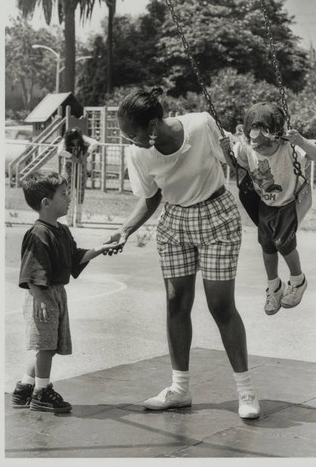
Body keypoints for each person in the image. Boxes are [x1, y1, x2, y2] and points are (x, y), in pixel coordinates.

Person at [104, 87, 260, 419]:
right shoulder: (140, 154)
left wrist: (238, 150)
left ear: (154, 124)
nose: (131, 141)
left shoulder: (202, 125)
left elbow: (235, 163)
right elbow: (150, 198)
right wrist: (125, 229)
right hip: (175, 220)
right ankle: (179, 389)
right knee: (176, 302)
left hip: (217, 213)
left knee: (220, 305)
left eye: (134, 134)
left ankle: (246, 391)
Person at [11, 171, 120, 413]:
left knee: (44, 345)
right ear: (46, 203)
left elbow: (75, 257)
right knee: (46, 347)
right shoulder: (38, 233)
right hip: (42, 295)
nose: (69, 198)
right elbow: (30, 269)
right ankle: (42, 392)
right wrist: (39, 297)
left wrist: (100, 248)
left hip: (56, 293)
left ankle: (24, 388)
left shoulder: (61, 230)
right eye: (63, 194)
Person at [223, 102, 316, 315]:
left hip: (289, 203)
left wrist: (302, 141)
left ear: (279, 136)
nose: (261, 149)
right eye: (257, 146)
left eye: (266, 146)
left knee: (284, 244)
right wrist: (226, 152)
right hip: (266, 205)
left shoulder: (290, 147)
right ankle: (274, 286)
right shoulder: (248, 149)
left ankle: (298, 281)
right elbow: (235, 166)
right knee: (267, 248)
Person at [57, 128, 99, 225]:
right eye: (73, 140)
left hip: (81, 169)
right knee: (68, 193)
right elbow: (59, 151)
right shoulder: (65, 141)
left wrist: (87, 153)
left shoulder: (83, 139)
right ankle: (68, 219)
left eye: (76, 139)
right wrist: (71, 156)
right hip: (69, 169)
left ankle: (78, 219)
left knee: (80, 193)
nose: (75, 142)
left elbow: (95, 143)